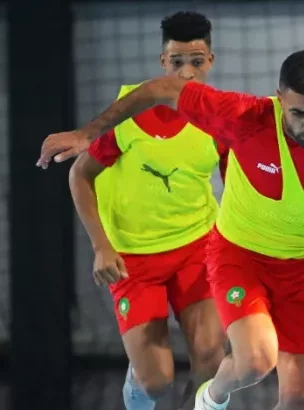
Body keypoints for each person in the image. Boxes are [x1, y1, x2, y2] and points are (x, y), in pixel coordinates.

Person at [38, 49, 304, 410]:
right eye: (299, 113)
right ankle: (211, 398)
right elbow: (161, 89)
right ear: (280, 98)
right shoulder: (243, 116)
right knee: (254, 359)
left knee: (301, 400)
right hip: (240, 257)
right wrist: (88, 133)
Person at [66, 12, 228, 410]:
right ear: (162, 62)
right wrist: (101, 247)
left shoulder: (221, 118)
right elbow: (79, 177)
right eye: (176, 62)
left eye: (196, 61)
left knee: (212, 360)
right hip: (132, 259)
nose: (186, 74)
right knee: (157, 382)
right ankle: (139, 379)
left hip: (195, 248)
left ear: (211, 60)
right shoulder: (128, 113)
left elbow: (240, 191)